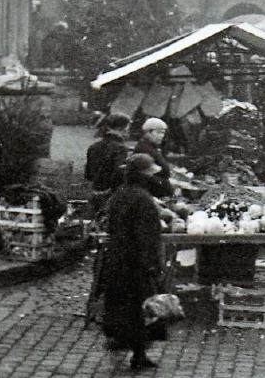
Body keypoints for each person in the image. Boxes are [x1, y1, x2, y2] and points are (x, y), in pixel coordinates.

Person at [103, 154, 165, 370]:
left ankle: (121, 340)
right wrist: (153, 264)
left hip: (117, 258)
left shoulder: (120, 194)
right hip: (137, 262)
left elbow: (110, 226)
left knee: (122, 305)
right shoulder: (143, 199)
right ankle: (139, 355)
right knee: (141, 309)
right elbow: (146, 236)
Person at [85, 113, 131, 198]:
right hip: (112, 193)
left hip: (95, 190)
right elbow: (119, 173)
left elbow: (88, 174)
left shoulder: (93, 147)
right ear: (123, 129)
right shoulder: (120, 148)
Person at [133, 118, 174, 197]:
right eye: (158, 132)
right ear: (147, 133)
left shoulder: (152, 147)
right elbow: (145, 174)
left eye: (163, 133)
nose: (161, 136)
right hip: (151, 193)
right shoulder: (145, 148)